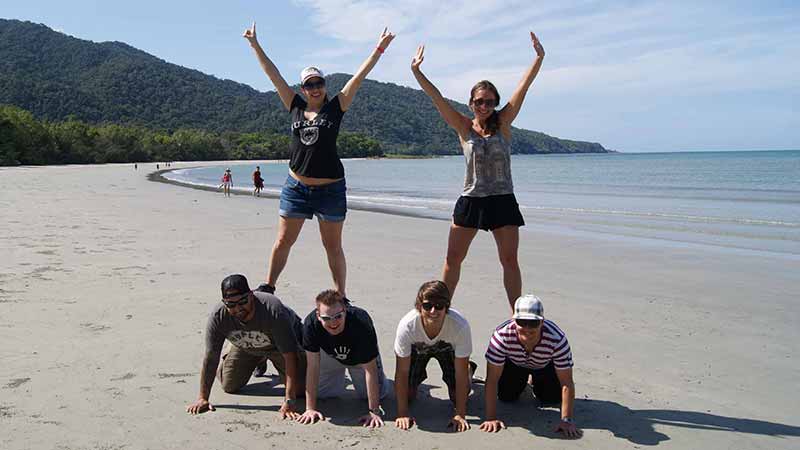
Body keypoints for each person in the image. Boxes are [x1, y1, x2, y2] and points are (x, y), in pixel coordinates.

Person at [243, 21, 395, 297]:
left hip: (330, 189)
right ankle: (269, 285)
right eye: (309, 84)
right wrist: (255, 45)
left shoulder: (336, 107)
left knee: (332, 247)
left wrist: (379, 49)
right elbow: (273, 74)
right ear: (302, 88)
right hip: (296, 187)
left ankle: (341, 294)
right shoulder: (295, 106)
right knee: (282, 241)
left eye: (319, 83)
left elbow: (358, 78)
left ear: (325, 85)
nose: (315, 88)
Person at [410, 32, 545, 310]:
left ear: (496, 103)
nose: (484, 106)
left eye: (490, 101)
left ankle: (516, 314)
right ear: (471, 103)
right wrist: (416, 71)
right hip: (471, 200)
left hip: (502, 199)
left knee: (509, 261)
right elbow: (437, 99)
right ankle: (440, 310)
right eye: (479, 101)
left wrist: (539, 58)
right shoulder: (463, 126)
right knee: (452, 259)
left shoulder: (504, 122)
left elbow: (524, 86)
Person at [186, 274, 307, 420]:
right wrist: (202, 398)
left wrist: (289, 400)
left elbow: (289, 355)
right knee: (229, 386)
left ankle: (267, 356)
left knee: (300, 391)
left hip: (279, 345)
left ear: (251, 295)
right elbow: (211, 356)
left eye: (242, 301)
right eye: (231, 304)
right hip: (246, 344)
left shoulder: (273, 309)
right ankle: (249, 354)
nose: (238, 308)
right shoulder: (218, 316)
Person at [480, 294, 581, 438]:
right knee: (506, 397)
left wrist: (566, 420)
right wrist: (490, 418)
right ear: (514, 320)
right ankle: (524, 381)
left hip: (545, 366)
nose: (527, 329)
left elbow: (567, 383)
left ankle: (534, 380)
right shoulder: (501, 336)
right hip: (514, 364)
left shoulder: (557, 339)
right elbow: (492, 380)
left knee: (551, 399)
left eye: (533, 323)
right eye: (522, 322)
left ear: (542, 322)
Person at [298, 290, 389, 428]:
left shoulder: (361, 321)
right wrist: (309, 408)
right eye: (326, 318)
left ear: (345, 311)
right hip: (330, 355)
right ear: (318, 316)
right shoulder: (310, 324)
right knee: (322, 394)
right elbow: (313, 366)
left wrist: (374, 411)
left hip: (359, 358)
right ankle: (338, 375)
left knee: (372, 395)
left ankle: (384, 380)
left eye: (338, 316)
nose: (333, 323)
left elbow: (370, 369)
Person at [393, 280, 473, 432]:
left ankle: (470, 367)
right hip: (418, 349)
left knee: (457, 396)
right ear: (419, 306)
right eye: (427, 305)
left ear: (447, 306)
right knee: (408, 395)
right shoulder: (407, 326)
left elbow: (460, 374)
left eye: (439, 305)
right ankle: (416, 381)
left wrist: (460, 414)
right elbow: (401, 372)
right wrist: (402, 413)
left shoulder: (460, 326)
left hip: (447, 349)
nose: (433, 311)